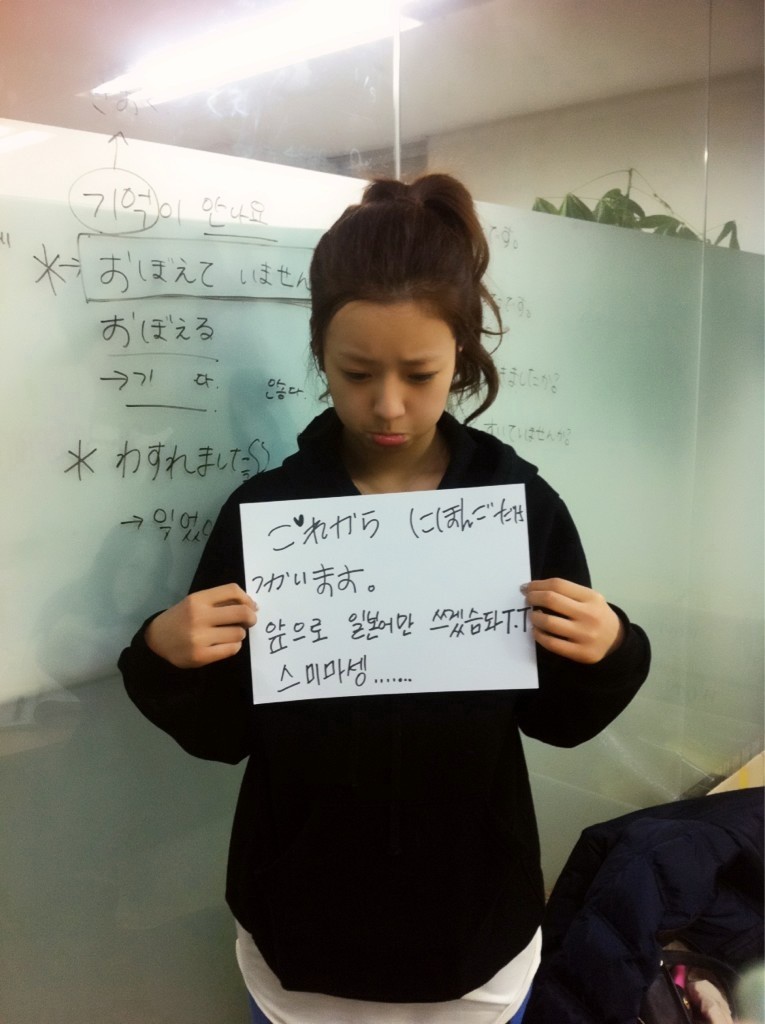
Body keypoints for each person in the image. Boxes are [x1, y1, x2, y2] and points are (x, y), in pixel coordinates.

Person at [119, 173, 651, 1024]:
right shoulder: (268, 514)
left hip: (474, 936)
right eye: (357, 372)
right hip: (299, 934)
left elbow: (557, 718)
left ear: (463, 356)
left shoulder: (515, 506)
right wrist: (165, 656)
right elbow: (223, 735)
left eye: (421, 372)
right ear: (319, 355)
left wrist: (610, 649)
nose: (388, 405)